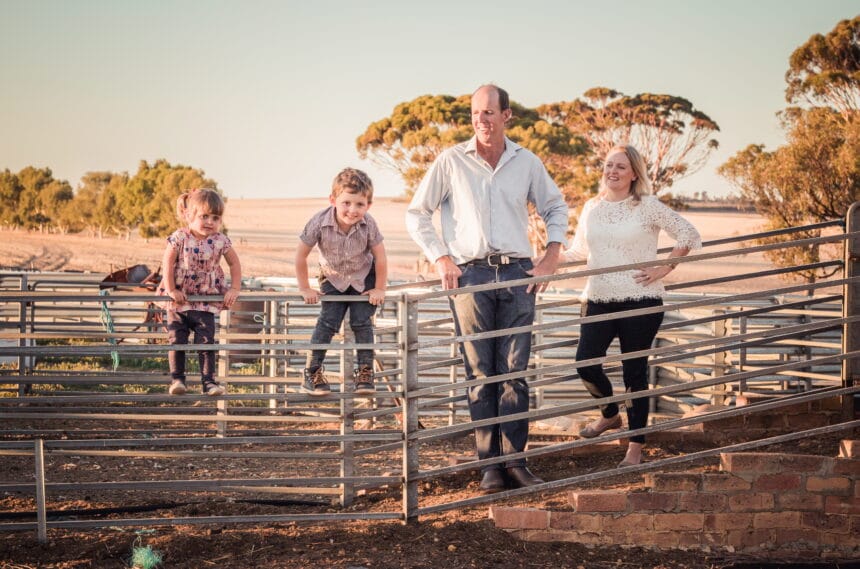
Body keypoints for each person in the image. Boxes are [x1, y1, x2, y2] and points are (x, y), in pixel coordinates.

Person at [406, 84, 569, 493]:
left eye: (489, 113)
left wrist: (550, 256)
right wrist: (441, 256)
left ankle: (516, 462)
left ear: (506, 116)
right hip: (470, 276)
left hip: (517, 275)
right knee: (480, 374)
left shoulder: (526, 162)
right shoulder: (450, 161)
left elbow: (555, 207)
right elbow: (417, 213)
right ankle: (490, 467)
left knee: (515, 372)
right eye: (476, 113)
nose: (482, 120)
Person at [564, 145, 701, 466]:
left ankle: (635, 448)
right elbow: (578, 252)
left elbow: (689, 234)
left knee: (634, 374)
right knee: (585, 362)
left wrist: (664, 268)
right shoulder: (592, 207)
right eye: (609, 165)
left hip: (641, 301)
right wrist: (541, 262)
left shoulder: (647, 206)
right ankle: (610, 414)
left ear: (634, 174)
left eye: (621, 167)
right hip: (597, 297)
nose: (612, 171)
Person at [296, 168, 387, 396]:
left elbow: (381, 257)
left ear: (368, 205)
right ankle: (312, 373)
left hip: (364, 276)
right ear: (333, 200)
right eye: (346, 203)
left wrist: (379, 288)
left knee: (361, 322)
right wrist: (305, 287)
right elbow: (300, 256)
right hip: (332, 276)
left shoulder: (370, 224)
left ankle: (365, 374)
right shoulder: (318, 222)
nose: (352, 210)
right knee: (328, 322)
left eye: (359, 204)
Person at [157, 188, 242, 396]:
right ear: (188, 215)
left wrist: (235, 288)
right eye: (204, 216)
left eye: (216, 217)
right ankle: (177, 379)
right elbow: (167, 262)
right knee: (177, 338)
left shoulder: (220, 240)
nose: (210, 222)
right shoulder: (179, 237)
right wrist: (171, 289)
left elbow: (235, 263)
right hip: (179, 301)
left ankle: (209, 382)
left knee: (206, 341)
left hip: (205, 300)